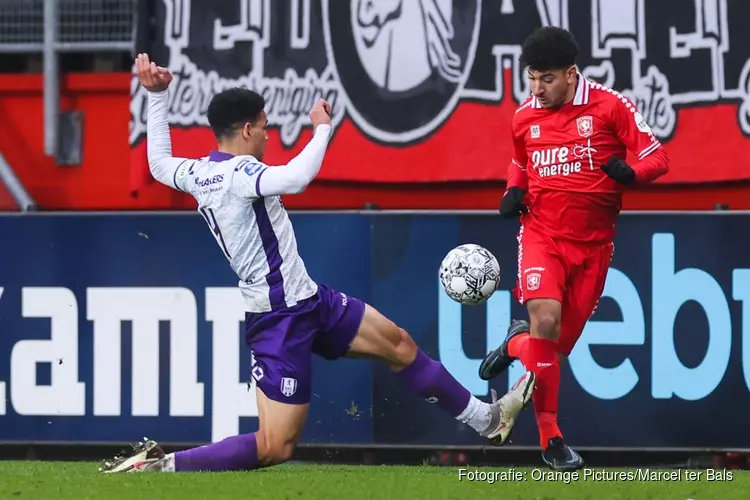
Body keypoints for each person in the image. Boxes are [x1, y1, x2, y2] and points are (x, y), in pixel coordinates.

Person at [99, 54, 536, 474]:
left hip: (308, 300)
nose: (269, 136)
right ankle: (161, 465)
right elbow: (297, 177)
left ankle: (488, 419)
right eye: (266, 128)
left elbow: (158, 164)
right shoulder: (242, 175)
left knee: (399, 345)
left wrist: (156, 97)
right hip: (279, 318)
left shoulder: (198, 173)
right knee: (275, 446)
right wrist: (322, 129)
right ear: (248, 128)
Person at [478, 27, 669, 471]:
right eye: (531, 78)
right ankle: (552, 441)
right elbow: (520, 163)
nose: (537, 89)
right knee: (546, 318)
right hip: (541, 234)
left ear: (570, 73)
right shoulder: (524, 117)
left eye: (546, 79)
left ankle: (514, 344)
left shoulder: (610, 106)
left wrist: (630, 174)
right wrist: (512, 190)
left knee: (551, 350)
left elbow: (658, 157)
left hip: (594, 246)